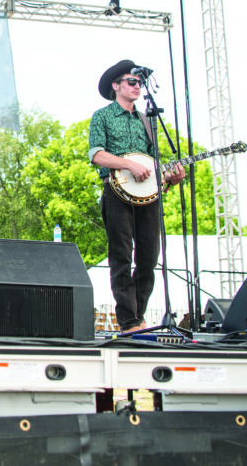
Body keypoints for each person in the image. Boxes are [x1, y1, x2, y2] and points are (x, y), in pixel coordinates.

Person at [88, 59, 184, 333]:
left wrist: (171, 179)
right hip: (116, 192)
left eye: (139, 82)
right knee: (121, 255)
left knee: (149, 257)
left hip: (148, 196)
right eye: (131, 82)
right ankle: (128, 320)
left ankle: (139, 315)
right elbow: (96, 154)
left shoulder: (147, 119)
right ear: (116, 86)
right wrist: (128, 164)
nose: (137, 86)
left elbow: (153, 166)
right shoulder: (102, 116)